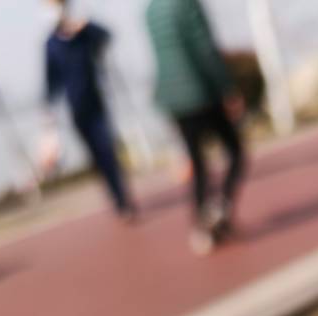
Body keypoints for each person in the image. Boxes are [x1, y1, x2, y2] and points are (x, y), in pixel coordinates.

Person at [146, 0, 246, 255]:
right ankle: (220, 207)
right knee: (235, 151)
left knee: (197, 163)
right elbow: (204, 47)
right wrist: (227, 87)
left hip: (173, 97)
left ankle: (202, 225)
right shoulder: (186, 3)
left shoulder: (151, 10)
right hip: (200, 92)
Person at [41, 0, 135, 218]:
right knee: (96, 156)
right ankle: (115, 196)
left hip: (97, 103)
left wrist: (86, 25)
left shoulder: (83, 35)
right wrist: (48, 118)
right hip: (76, 110)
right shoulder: (51, 44)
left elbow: (106, 36)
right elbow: (51, 83)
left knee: (108, 150)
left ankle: (123, 199)